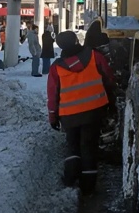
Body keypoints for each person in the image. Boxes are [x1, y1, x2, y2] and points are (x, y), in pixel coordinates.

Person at [47, 31, 116, 194]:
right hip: (94, 111)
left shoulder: (56, 67)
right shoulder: (94, 56)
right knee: (89, 146)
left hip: (69, 115)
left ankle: (70, 178)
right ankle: (88, 186)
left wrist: (53, 116)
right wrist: (111, 101)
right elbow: (109, 78)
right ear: (76, 40)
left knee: (72, 145)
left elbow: (52, 94)